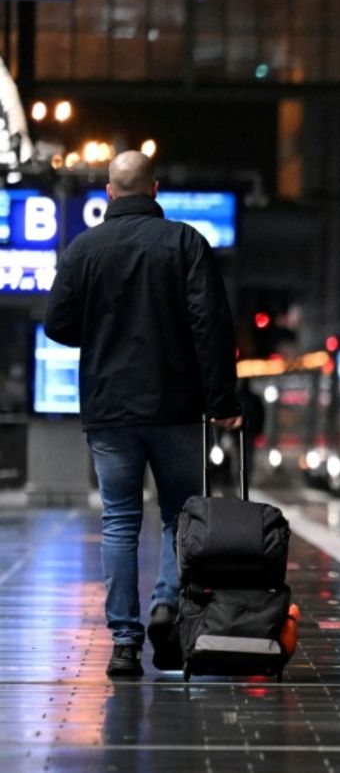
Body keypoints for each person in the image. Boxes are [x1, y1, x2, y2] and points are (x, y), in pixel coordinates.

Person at [44, 151, 243, 678]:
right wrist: (223, 401)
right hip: (177, 408)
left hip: (110, 411)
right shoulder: (185, 243)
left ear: (109, 192)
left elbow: (57, 325)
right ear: (154, 190)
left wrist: (104, 334)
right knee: (180, 515)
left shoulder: (83, 249)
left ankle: (125, 643)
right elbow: (212, 326)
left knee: (119, 521)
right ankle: (167, 607)